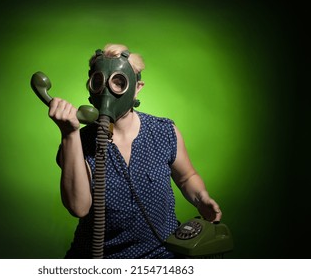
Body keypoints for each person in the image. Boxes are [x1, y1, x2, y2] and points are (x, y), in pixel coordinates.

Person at [48, 43, 222, 259]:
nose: (107, 91)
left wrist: (201, 198)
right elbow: (79, 207)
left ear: (137, 87)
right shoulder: (77, 141)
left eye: (119, 82)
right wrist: (69, 134)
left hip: (162, 255)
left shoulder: (164, 131)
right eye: (99, 82)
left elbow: (187, 177)